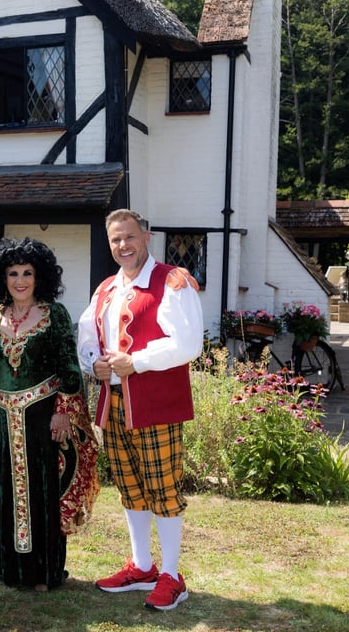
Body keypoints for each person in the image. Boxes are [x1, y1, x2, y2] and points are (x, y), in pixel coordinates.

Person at [77, 209, 203, 612]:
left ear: (146, 237)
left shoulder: (172, 281)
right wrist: (93, 362)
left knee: (162, 488)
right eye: (115, 240)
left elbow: (188, 343)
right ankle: (142, 566)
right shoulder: (106, 288)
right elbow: (87, 338)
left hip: (156, 403)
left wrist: (139, 361)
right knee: (130, 486)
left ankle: (171, 575)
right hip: (114, 403)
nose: (123, 246)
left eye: (129, 237)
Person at [0, 238, 100, 592]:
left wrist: (63, 411)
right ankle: (8, 570)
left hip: (42, 419)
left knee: (42, 492)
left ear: (39, 276)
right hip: (1, 418)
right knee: (3, 491)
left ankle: (44, 574)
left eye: (27, 273)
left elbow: (69, 368)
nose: (20, 280)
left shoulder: (54, 314)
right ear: (2, 277)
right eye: (12, 273)